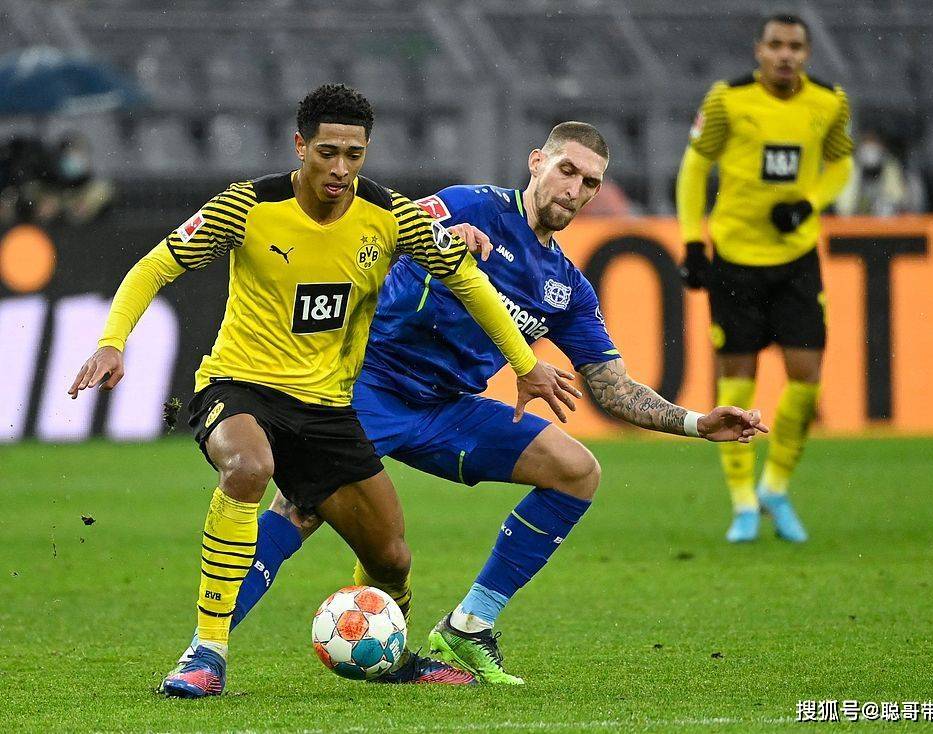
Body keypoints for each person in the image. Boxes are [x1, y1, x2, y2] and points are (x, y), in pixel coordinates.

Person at [171, 121, 768, 685]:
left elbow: (612, 386)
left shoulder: (565, 286)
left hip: (446, 410)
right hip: (365, 387)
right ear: (537, 162)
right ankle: (205, 652)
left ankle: (469, 626)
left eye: (590, 183)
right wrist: (440, 241)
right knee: (300, 511)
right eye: (567, 170)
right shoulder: (468, 205)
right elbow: (369, 238)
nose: (575, 190)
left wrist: (696, 422)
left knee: (577, 471)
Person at [66, 83, 578, 697]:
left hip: (329, 408)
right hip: (241, 386)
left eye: (353, 155)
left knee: (391, 557)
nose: (340, 168)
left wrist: (524, 362)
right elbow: (155, 266)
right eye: (327, 152)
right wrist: (112, 341)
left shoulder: (390, 217)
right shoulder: (247, 206)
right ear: (300, 146)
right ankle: (206, 653)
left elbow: (468, 281)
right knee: (248, 468)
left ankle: (390, 656)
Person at [676, 14, 853, 543]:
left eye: (795, 46)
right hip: (735, 258)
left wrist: (808, 204)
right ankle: (743, 502)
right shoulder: (728, 100)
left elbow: (841, 165)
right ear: (759, 50)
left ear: (807, 53)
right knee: (737, 377)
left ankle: (775, 485)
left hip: (796, 259)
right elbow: (694, 166)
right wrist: (692, 240)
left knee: (806, 374)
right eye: (776, 45)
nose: (785, 55)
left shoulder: (829, 103)